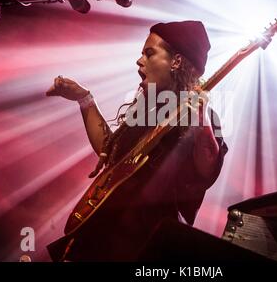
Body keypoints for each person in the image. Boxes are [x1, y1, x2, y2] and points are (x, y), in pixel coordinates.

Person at [45, 20, 228, 261]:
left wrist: (200, 117)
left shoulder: (202, 118)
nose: (139, 61)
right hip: (96, 242)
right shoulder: (145, 111)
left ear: (176, 61)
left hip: (145, 251)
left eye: (149, 53)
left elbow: (207, 168)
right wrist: (85, 100)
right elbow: (112, 157)